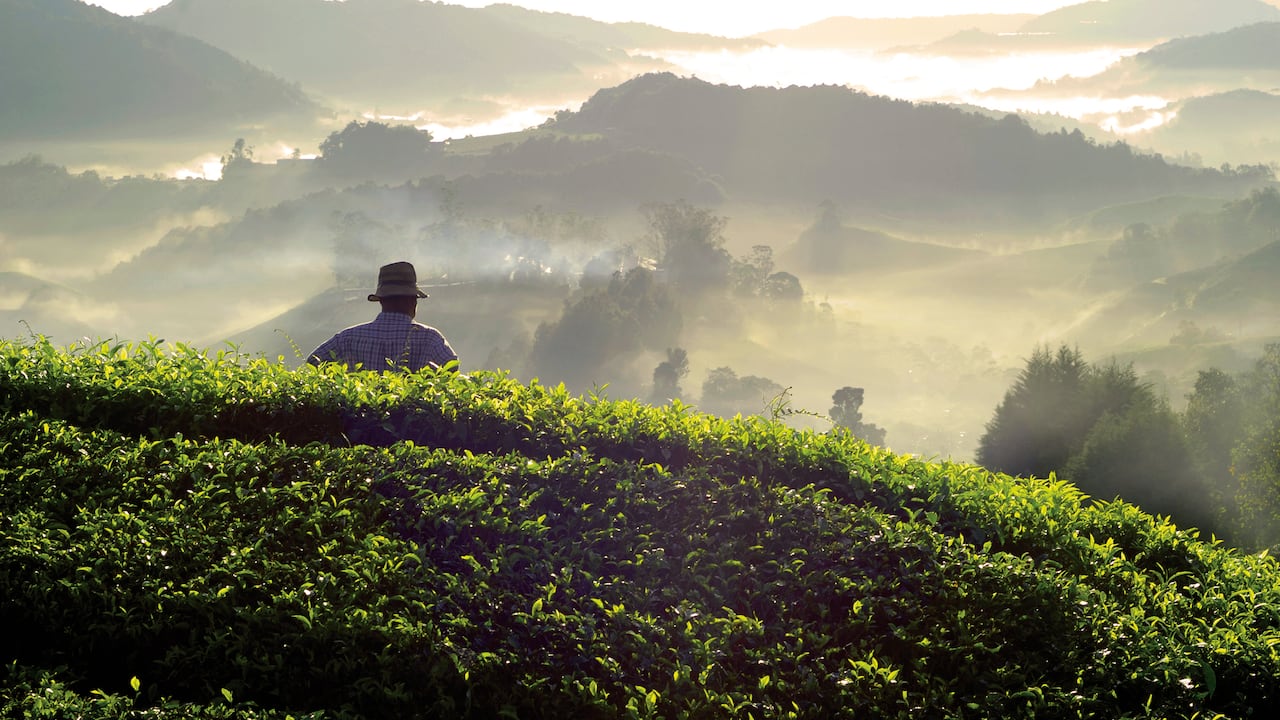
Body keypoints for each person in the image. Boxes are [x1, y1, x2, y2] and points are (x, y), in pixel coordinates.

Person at [308, 261, 457, 372]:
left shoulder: (347, 338)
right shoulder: (430, 338)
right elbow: (451, 369)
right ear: (412, 300)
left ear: (381, 300)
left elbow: (313, 362)